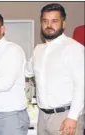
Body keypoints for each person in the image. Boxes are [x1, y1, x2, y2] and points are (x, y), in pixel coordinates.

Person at [25, 3, 84, 135]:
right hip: (42, 116)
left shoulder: (74, 48)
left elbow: (81, 85)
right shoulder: (38, 50)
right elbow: (26, 71)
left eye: (54, 21)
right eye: (45, 21)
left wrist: (73, 117)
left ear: (63, 24)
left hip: (65, 117)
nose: (49, 25)